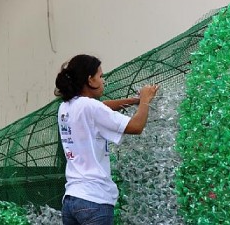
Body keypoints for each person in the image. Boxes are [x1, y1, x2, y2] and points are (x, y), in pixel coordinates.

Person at [54, 54, 159, 225]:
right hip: (95, 200)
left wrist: (134, 101)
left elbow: (103, 107)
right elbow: (136, 126)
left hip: (72, 199)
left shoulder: (65, 107)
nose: (103, 81)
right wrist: (146, 100)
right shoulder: (90, 107)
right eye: (100, 76)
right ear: (90, 80)